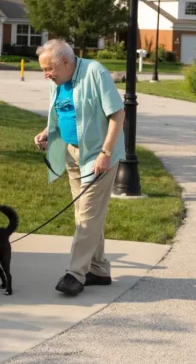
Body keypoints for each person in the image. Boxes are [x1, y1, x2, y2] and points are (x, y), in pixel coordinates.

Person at [34, 39, 125, 296]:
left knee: (87, 215)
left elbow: (118, 115)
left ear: (65, 61)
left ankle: (75, 274)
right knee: (85, 214)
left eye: (48, 69)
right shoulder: (59, 81)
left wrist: (106, 153)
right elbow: (63, 112)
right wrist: (46, 133)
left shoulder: (95, 72)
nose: (46, 75)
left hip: (98, 156)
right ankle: (98, 269)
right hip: (72, 155)